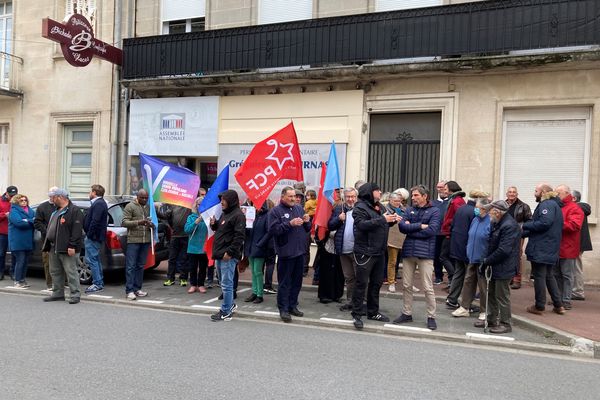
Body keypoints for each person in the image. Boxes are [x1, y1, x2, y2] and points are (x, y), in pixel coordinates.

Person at [350, 182, 400, 330]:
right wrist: (383, 219)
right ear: (369, 192)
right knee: (361, 284)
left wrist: (391, 220)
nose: (380, 192)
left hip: (379, 251)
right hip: (365, 251)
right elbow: (361, 225)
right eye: (377, 190)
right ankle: (357, 314)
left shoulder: (380, 206)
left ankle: (373, 311)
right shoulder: (359, 207)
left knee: (376, 283)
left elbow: (382, 223)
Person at [394, 185, 441, 330]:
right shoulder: (409, 210)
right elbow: (402, 227)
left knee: (427, 287)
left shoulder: (435, 211)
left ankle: (431, 316)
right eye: (413, 195)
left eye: (415, 195)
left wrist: (412, 227)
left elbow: (432, 230)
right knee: (407, 285)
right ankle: (407, 313)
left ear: (424, 196)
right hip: (409, 252)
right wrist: (421, 226)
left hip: (425, 254)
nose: (412, 198)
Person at [268, 187, 312, 323]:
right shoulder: (275, 211)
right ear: (283, 197)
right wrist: (289, 224)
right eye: (290, 196)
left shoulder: (299, 208)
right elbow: (273, 230)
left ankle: (293, 305)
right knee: (285, 282)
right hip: (286, 253)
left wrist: (307, 221)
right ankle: (284, 309)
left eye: (295, 196)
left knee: (297, 282)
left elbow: (307, 228)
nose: (294, 198)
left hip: (300, 252)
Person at [522, 184, 565, 315]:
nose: (534, 193)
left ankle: (539, 306)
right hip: (549, 247)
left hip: (542, 247)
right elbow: (541, 227)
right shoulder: (554, 205)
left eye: (536, 191)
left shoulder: (547, 205)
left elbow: (544, 223)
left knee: (540, 276)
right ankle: (558, 305)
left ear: (544, 192)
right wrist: (521, 232)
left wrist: (526, 225)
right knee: (549, 276)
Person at [479, 200, 521, 334]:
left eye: (490, 211)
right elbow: (491, 244)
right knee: (491, 293)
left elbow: (504, 250)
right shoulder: (496, 223)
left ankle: (505, 323)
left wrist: (487, 261)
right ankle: (491, 319)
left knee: (501, 296)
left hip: (504, 266)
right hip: (494, 264)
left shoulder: (509, 225)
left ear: (497, 212)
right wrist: (486, 261)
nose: (489, 213)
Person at [446, 190, 488, 308]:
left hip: (456, 246)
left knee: (458, 273)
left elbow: (453, 225)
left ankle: (452, 299)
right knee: (469, 278)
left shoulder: (461, 208)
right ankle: (466, 303)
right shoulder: (475, 213)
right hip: (467, 249)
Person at [452, 197, 491, 324]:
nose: (475, 210)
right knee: (468, 282)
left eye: (477, 208)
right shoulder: (475, 219)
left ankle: (484, 311)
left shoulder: (490, 222)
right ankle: (464, 307)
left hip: (483, 259)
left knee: (483, 285)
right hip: (472, 257)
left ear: (484, 209)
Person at [42, 188, 84, 304]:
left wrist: (72, 245)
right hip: (54, 247)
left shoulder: (74, 211)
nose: (51, 200)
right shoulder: (56, 211)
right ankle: (58, 293)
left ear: (60, 197)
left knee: (71, 272)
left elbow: (77, 231)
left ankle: (75, 294)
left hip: (67, 248)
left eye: (53, 197)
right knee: (55, 271)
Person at [209, 190, 245, 322]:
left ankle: (226, 311)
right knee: (222, 282)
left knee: (226, 284)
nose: (221, 202)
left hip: (227, 256)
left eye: (223, 199)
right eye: (221, 199)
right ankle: (230, 305)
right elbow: (222, 230)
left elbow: (239, 236)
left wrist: (229, 252)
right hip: (220, 254)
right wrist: (214, 225)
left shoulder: (238, 215)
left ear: (231, 200)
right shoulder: (226, 214)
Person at [553, 184, 584, 310]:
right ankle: (558, 299)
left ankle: (566, 300)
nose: (556, 196)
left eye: (558, 193)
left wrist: (556, 224)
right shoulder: (558, 206)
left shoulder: (574, 208)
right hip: (557, 247)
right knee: (556, 275)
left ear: (566, 193)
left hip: (568, 247)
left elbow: (574, 225)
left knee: (567, 275)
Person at [328, 187, 358, 311]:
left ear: (356, 197)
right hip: (343, 249)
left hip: (357, 250)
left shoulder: (361, 209)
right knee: (349, 277)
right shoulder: (338, 209)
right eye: (348, 197)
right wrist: (338, 219)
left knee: (360, 278)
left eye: (352, 197)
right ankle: (350, 301)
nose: (350, 199)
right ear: (344, 198)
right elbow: (330, 225)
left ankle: (361, 302)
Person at [121, 189, 153, 301]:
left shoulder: (148, 207)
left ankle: (137, 289)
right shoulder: (130, 206)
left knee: (140, 266)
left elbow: (151, 222)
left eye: (146, 198)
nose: (144, 200)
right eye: (142, 198)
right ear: (137, 197)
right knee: (131, 266)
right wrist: (139, 222)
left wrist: (151, 225)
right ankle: (129, 291)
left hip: (145, 241)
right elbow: (124, 222)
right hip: (133, 241)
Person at [439, 180, 466, 288]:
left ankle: (455, 278)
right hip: (450, 232)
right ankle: (452, 282)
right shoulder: (455, 200)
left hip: (450, 233)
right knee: (449, 257)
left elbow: (459, 217)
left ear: (451, 189)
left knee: (443, 257)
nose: (443, 191)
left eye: (445, 189)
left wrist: (450, 228)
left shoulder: (456, 201)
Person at [243, 200, 271, 304]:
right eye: (254, 204)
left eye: (257, 204)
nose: (255, 206)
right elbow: (247, 231)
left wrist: (260, 244)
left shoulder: (267, 215)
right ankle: (254, 292)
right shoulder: (251, 215)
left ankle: (259, 294)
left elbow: (269, 232)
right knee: (253, 271)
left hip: (259, 247)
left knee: (258, 271)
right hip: (250, 246)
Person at [505, 186, 532, 289]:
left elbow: (529, 221)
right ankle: (508, 277)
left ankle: (517, 279)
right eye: (510, 192)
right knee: (505, 255)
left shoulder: (524, 206)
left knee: (517, 256)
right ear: (507, 194)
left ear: (517, 194)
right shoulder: (503, 205)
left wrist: (522, 233)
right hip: (505, 234)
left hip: (517, 235)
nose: (512, 194)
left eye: (514, 192)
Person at [83, 184, 108, 294]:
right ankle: (99, 281)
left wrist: (89, 234)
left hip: (93, 237)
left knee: (92, 260)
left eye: (90, 191)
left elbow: (95, 221)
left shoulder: (98, 204)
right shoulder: (100, 203)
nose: (89, 193)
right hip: (95, 237)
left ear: (94, 193)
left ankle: (97, 283)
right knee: (95, 259)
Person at [33, 187, 58, 291]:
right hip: (47, 240)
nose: (52, 198)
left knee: (61, 263)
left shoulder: (62, 206)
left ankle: (62, 282)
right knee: (48, 263)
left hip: (60, 240)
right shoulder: (42, 207)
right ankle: (50, 284)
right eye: (51, 195)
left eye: (55, 195)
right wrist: (46, 230)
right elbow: (37, 222)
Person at [161, 203, 192, 286]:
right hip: (175, 236)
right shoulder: (173, 206)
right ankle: (170, 279)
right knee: (172, 258)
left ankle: (183, 278)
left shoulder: (189, 206)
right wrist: (157, 210)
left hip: (186, 236)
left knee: (184, 258)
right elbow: (166, 217)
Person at [8, 194, 35, 288]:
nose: (24, 202)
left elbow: (36, 221)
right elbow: (19, 223)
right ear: (17, 202)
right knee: (20, 260)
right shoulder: (14, 211)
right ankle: (17, 280)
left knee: (26, 261)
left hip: (28, 240)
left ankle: (22, 279)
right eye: (21, 200)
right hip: (17, 240)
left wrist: (27, 220)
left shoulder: (31, 210)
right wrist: (30, 221)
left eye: (25, 200)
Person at [184, 197, 209, 294]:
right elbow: (187, 230)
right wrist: (196, 222)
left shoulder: (208, 217)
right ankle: (193, 285)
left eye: (203, 205)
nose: (200, 206)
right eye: (199, 204)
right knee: (193, 268)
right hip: (192, 247)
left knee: (203, 267)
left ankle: (201, 284)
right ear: (196, 205)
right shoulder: (191, 217)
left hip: (204, 247)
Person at [571, 190, 591, 301]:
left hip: (577, 242)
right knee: (575, 266)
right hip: (578, 242)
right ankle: (576, 290)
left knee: (576, 266)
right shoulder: (580, 208)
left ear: (574, 199)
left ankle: (578, 291)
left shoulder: (577, 208)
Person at [385, 192, 406, 293]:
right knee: (392, 261)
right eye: (395, 201)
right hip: (391, 238)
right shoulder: (385, 210)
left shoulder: (404, 209)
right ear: (390, 200)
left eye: (399, 201)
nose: (398, 203)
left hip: (403, 237)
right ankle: (391, 282)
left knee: (407, 262)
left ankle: (408, 283)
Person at [0, 185, 18, 280]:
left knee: (14, 253)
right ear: (6, 193)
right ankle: (1, 272)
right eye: (10, 195)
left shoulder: (18, 201)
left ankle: (13, 272)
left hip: (15, 232)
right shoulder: (0, 201)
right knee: (1, 254)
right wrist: (4, 215)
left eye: (14, 195)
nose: (12, 197)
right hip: (2, 232)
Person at [432, 180, 448, 284]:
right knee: (436, 255)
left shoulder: (451, 202)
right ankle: (438, 276)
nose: (440, 189)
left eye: (442, 187)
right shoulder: (433, 203)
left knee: (446, 256)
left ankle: (451, 276)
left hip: (447, 234)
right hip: (435, 233)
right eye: (438, 187)